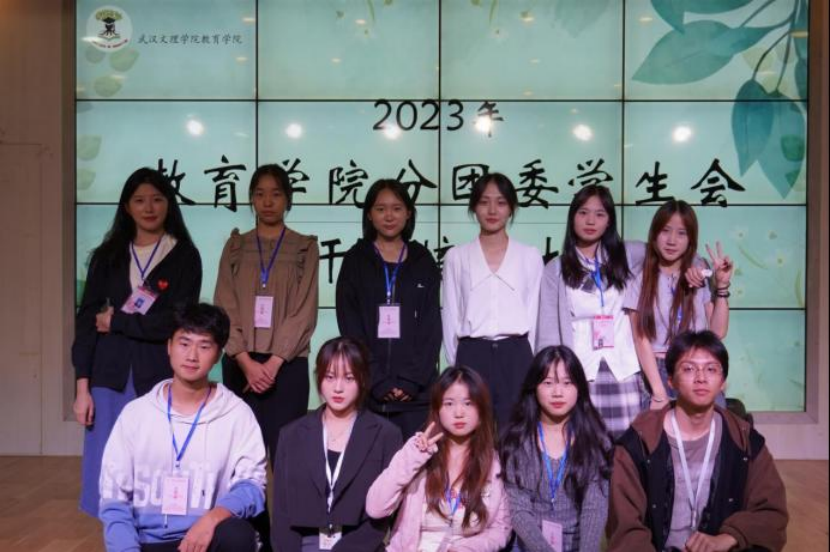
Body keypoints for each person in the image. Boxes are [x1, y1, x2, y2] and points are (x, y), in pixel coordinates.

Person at [73, 167, 202, 516]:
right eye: (140, 200)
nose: (149, 208)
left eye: (157, 199)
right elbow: (86, 323)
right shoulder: (107, 256)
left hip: (158, 375)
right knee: (107, 466)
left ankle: (156, 535)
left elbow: (177, 321)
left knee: (155, 465)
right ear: (127, 207)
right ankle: (116, 534)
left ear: (169, 204)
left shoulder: (184, 256)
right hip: (108, 377)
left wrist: (118, 321)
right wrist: (82, 387)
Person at [99, 303, 267, 552]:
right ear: (169, 346)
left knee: (237, 534)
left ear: (218, 354)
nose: (192, 356)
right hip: (146, 542)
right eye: (184, 343)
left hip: (204, 538)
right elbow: (114, 498)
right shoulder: (136, 414)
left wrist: (212, 518)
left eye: (204, 346)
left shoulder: (236, 414)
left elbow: (252, 485)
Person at [607, 331, 789, 552]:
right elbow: (625, 529)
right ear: (671, 381)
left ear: (722, 382)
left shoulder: (745, 441)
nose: (701, 378)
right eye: (689, 369)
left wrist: (728, 537)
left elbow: (771, 513)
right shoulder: (638, 443)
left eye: (711, 369)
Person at [214, 163, 319, 465]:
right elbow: (224, 303)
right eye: (260, 194)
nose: (268, 201)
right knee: (242, 457)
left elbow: (304, 310)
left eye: (276, 194)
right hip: (240, 362)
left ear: (288, 198)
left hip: (287, 365)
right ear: (251, 198)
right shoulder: (236, 246)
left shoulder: (305, 248)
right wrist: (246, 362)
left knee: (288, 457)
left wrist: (272, 364)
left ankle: (287, 504)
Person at [536, 184, 650, 439]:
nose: (591, 221)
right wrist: (554, 379)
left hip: (624, 367)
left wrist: (700, 269)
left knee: (629, 447)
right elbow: (548, 331)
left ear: (609, 220)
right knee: (585, 446)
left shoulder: (628, 255)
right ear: (572, 217)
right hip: (579, 371)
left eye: (600, 214)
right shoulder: (556, 268)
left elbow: (671, 252)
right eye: (583, 213)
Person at [271, 337, 402, 552]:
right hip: (305, 544)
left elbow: (384, 515)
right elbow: (282, 514)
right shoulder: (291, 435)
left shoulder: (386, 435)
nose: (338, 388)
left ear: (362, 380)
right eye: (330, 377)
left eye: (349, 378)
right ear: (319, 378)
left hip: (360, 546)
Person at [336, 179, 441, 440]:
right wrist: (375, 379)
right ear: (369, 215)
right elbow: (350, 325)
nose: (389, 216)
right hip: (368, 393)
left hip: (417, 395)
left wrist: (410, 380)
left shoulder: (423, 260)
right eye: (381, 209)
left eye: (397, 208)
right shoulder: (355, 260)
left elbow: (431, 328)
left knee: (417, 462)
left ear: (409, 213)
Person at [366, 366, 512, 552]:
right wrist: (413, 456)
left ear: (482, 412)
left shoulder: (493, 462)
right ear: (437, 410)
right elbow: (375, 508)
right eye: (449, 403)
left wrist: (468, 548)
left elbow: (501, 529)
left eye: (468, 403)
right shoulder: (418, 453)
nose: (459, 412)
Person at [442, 173, 544, 426]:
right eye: (484, 202)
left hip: (516, 354)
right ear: (473, 207)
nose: (492, 210)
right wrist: (458, 363)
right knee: (472, 431)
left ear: (511, 208)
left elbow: (534, 312)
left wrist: (529, 359)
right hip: (472, 352)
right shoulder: (457, 256)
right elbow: (451, 313)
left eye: (500, 202)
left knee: (517, 430)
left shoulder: (529, 255)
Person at [500, 346, 613, 552]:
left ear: (579, 388)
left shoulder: (594, 440)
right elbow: (519, 511)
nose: (558, 392)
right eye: (548, 383)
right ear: (534, 387)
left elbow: (594, 509)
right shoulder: (518, 440)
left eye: (567, 383)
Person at [625, 200, 733, 406]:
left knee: (715, 424)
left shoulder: (700, 272)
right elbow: (641, 339)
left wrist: (721, 285)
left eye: (681, 233)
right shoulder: (640, 276)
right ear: (654, 234)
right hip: (657, 368)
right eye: (665, 231)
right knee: (661, 426)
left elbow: (717, 332)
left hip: (698, 364)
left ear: (690, 238)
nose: (672, 241)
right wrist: (658, 391)